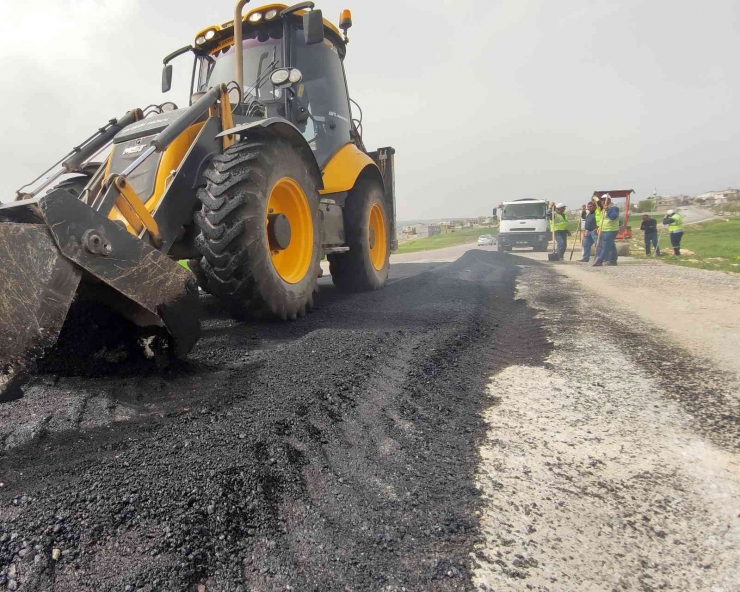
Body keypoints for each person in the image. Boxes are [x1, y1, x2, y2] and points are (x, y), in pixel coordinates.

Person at [592, 197, 620, 266]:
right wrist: (594, 198)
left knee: (605, 246)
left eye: (604, 200)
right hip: (604, 230)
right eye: (601, 200)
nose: (602, 202)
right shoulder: (603, 209)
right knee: (611, 246)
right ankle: (612, 261)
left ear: (609, 200)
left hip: (610, 230)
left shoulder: (613, 208)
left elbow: (613, 217)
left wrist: (607, 209)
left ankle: (600, 260)